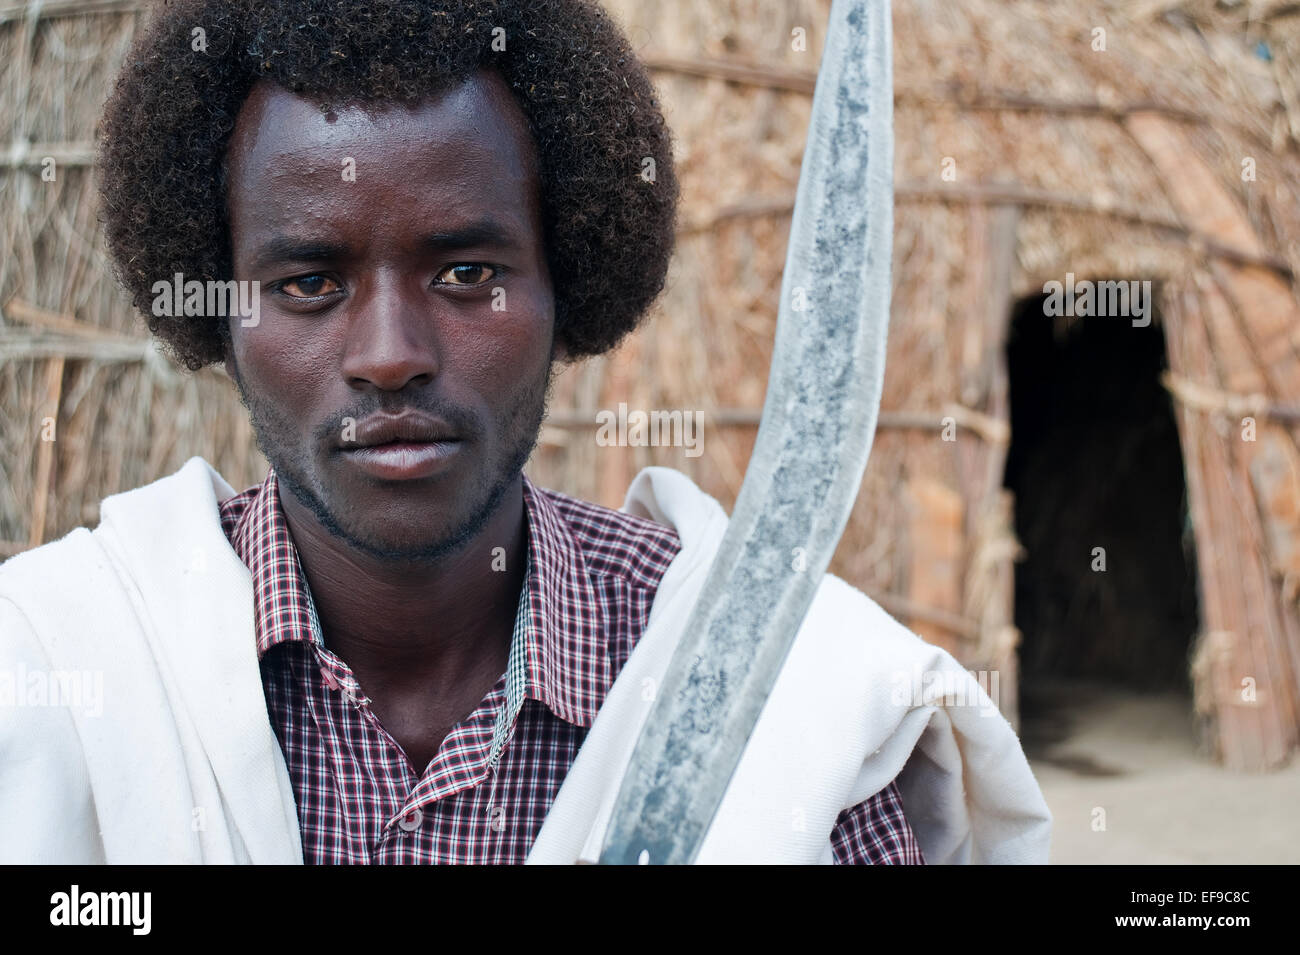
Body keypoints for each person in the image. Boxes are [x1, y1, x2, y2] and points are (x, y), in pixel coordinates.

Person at [0, 0, 1051, 864]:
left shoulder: (794, 705)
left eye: (467, 274)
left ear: (568, 283)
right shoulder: (56, 675)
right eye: (310, 282)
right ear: (219, 312)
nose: (390, 353)